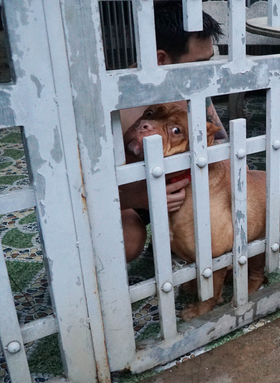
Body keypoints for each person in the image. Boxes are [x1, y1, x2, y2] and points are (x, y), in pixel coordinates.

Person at [119, 1, 228, 262]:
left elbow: (222, 142)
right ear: (160, 59)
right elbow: (80, 188)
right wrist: (141, 197)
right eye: (198, 64)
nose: (206, 75)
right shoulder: (117, 103)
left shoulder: (191, 92)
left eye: (209, 62)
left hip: (181, 193)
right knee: (129, 241)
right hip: (129, 198)